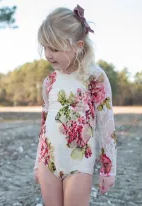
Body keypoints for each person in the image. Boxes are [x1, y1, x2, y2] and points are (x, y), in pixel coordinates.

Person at [33, 4, 117, 206]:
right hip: (48, 161)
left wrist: (108, 169)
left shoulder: (95, 77)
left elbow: (106, 126)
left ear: (78, 46)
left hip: (79, 163)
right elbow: (45, 125)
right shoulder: (50, 81)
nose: (48, 54)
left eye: (54, 48)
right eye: (45, 47)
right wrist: (38, 162)